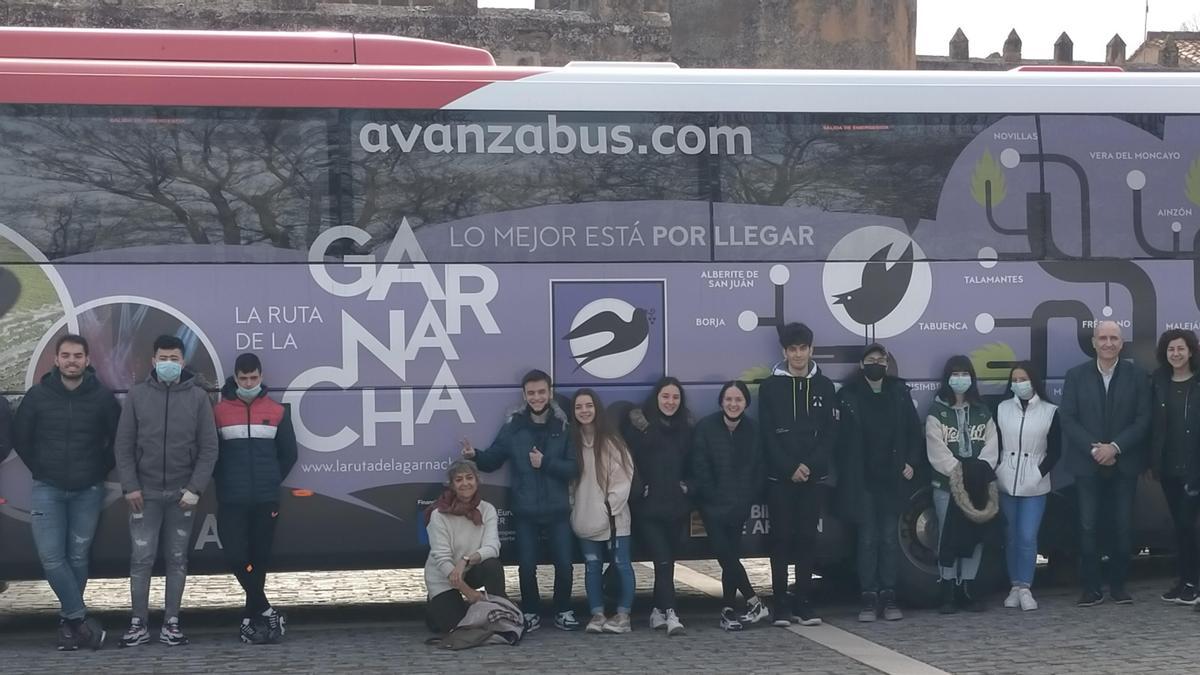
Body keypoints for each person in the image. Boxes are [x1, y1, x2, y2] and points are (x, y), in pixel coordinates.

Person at [14, 334, 118, 651]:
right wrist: (41, 468)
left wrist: (98, 471)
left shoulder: (102, 398)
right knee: (50, 557)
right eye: (66, 355)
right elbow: (21, 438)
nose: (71, 360)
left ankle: (68, 628)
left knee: (77, 557)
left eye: (77, 356)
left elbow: (118, 441)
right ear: (56, 360)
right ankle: (78, 617)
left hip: (88, 490)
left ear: (87, 361)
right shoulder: (37, 396)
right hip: (48, 489)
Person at [114, 334, 219, 647]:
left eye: (174, 359)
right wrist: (130, 486)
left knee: (177, 559)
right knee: (141, 559)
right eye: (163, 358)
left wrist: (195, 488)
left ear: (183, 361)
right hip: (143, 495)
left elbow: (209, 448)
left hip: (182, 495)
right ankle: (138, 623)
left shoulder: (198, 397)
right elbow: (124, 446)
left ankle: (172, 622)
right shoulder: (137, 395)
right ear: (153, 361)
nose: (169, 364)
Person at [461, 369, 579, 632]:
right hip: (525, 509)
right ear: (524, 396)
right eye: (531, 393)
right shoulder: (513, 427)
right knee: (526, 566)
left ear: (550, 392)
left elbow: (573, 468)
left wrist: (544, 462)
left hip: (558, 509)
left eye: (541, 392)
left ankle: (563, 610)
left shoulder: (563, 425)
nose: (536, 398)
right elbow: (493, 459)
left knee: (564, 564)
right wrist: (474, 455)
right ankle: (531, 611)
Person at [1059, 320, 1150, 607]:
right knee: (1088, 526)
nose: (1108, 343)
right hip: (1088, 463)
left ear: (1121, 344)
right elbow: (1068, 418)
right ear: (1094, 343)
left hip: (1124, 463)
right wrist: (1096, 450)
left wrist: (1115, 447)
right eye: (1103, 338)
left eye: (1114, 338)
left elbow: (1143, 419)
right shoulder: (1076, 376)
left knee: (1122, 526)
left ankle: (1119, 586)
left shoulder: (1137, 375)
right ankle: (1091, 588)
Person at [212, 352, 298, 644]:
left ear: (261, 377)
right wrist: (224, 482)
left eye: (253, 377)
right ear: (235, 378)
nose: (248, 382)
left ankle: (249, 621)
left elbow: (289, 454)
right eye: (243, 378)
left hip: (265, 499)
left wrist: (271, 480)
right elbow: (212, 455)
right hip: (232, 500)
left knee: (258, 560)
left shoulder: (276, 411)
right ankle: (268, 611)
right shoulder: (219, 411)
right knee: (236, 557)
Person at [835, 343, 922, 622]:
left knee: (888, 538)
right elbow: (839, 439)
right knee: (868, 539)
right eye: (871, 359)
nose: (877, 363)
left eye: (881, 359)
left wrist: (911, 462)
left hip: (892, 478)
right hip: (862, 479)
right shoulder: (848, 396)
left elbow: (913, 431)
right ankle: (868, 597)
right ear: (862, 365)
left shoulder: (899, 393)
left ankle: (889, 594)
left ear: (887, 365)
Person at [758, 322, 837, 627]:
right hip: (781, 479)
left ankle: (803, 602)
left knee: (806, 539)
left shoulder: (825, 386)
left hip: (813, 479)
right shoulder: (769, 387)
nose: (798, 355)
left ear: (811, 350)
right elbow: (767, 434)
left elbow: (830, 434)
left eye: (803, 348)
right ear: (784, 352)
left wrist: (809, 466)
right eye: (793, 349)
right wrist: (789, 467)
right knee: (781, 540)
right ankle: (781, 605)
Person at [689, 380, 769, 631]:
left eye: (738, 400)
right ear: (721, 402)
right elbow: (699, 466)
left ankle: (727, 610)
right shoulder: (705, 428)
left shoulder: (754, 431)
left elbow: (759, 468)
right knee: (725, 555)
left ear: (746, 403)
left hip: (740, 505)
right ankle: (755, 601)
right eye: (729, 399)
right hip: (712, 506)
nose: (733, 404)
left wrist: (748, 496)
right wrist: (712, 496)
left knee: (731, 557)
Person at [925, 355, 998, 613]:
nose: (960, 379)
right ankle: (946, 591)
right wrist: (959, 472)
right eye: (954, 374)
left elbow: (991, 446)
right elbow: (935, 448)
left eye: (964, 374)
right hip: (946, 486)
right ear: (947, 379)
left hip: (977, 486)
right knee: (948, 537)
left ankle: (966, 588)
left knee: (973, 537)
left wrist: (976, 472)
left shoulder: (982, 411)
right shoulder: (937, 411)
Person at [622, 376, 692, 636]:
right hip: (648, 509)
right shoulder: (640, 428)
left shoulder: (686, 429)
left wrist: (689, 487)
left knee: (668, 562)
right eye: (666, 396)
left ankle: (656, 611)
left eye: (675, 397)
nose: (670, 402)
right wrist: (639, 489)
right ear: (656, 398)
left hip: (676, 507)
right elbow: (627, 461)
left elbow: (695, 465)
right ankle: (672, 613)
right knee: (662, 561)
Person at [995, 361, 1061, 612]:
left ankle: (1026, 586)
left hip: (1035, 483)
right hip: (1006, 481)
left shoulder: (1050, 411)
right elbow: (995, 443)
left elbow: (1056, 451)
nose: (1018, 384)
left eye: (1023, 379)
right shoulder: (1001, 409)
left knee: (1027, 535)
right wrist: (998, 468)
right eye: (1015, 379)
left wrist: (1037, 473)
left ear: (1033, 381)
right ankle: (1014, 585)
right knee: (1010, 536)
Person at [569, 388, 636, 634]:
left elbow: (623, 481)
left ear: (597, 408)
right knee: (592, 566)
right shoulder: (572, 444)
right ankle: (597, 614)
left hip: (615, 519)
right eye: (578, 407)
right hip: (584, 518)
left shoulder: (611, 443)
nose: (584, 411)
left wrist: (607, 508)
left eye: (588, 405)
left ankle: (623, 616)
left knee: (622, 564)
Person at [424, 459, 506, 634]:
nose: (465, 483)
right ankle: (435, 604)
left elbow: (492, 547)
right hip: (444, 577)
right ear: (452, 485)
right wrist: (468, 592)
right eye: (459, 479)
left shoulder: (487, 509)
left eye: (469, 478)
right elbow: (442, 557)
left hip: (471, 569)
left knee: (492, 565)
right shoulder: (439, 515)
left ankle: (500, 609)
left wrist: (465, 560)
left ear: (477, 480)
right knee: (459, 629)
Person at [1149, 329, 1200, 606]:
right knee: (1179, 528)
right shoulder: (1159, 381)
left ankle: (1193, 583)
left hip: (1195, 467)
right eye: (1171, 350)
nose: (1176, 354)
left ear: (1191, 351)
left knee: (1187, 525)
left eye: (1181, 349)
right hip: (1169, 468)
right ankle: (1183, 581)